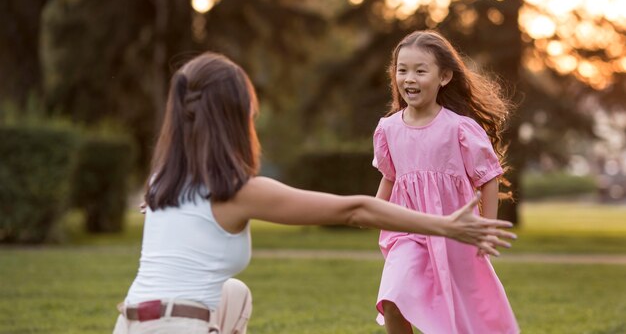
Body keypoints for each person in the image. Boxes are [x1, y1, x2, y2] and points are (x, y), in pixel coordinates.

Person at [112, 52, 516, 334]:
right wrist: (446, 226)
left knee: (234, 294)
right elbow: (356, 209)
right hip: (178, 327)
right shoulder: (239, 192)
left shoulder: (162, 182)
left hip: (131, 322)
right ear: (233, 118)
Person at [372, 30, 520, 334]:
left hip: (455, 234)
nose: (409, 78)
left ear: (444, 77)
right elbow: (390, 176)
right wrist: (370, 211)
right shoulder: (388, 129)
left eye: (420, 70)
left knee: (459, 315)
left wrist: (485, 229)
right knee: (392, 299)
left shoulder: (460, 129)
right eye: (402, 70)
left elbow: (488, 177)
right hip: (407, 231)